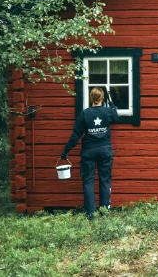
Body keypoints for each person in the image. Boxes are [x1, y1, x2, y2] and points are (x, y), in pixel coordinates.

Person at [61, 87, 118, 220]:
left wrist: (65, 151)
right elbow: (116, 117)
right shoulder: (107, 111)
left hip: (89, 152)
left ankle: (91, 214)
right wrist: (111, 103)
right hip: (105, 151)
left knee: (88, 181)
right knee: (105, 180)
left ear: (91, 98)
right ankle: (104, 212)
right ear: (102, 98)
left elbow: (76, 136)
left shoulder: (85, 114)